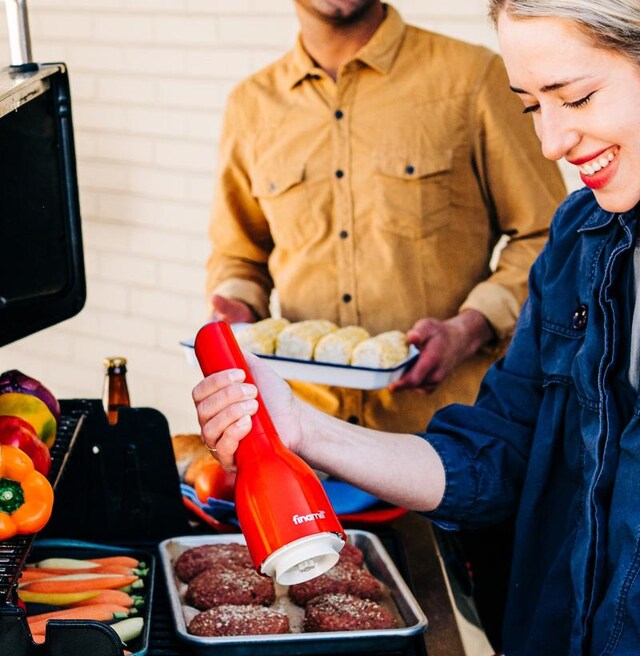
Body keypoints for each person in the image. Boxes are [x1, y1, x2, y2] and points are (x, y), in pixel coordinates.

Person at [193, 0, 640, 656]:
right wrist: (302, 425)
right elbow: (495, 454)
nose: (551, 141)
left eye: (575, 97)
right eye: (532, 106)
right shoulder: (583, 237)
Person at [205, 0, 565, 435]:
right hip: (306, 434)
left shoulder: (473, 78)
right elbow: (239, 254)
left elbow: (547, 235)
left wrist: (470, 327)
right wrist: (237, 306)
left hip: (447, 436)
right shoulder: (251, 105)